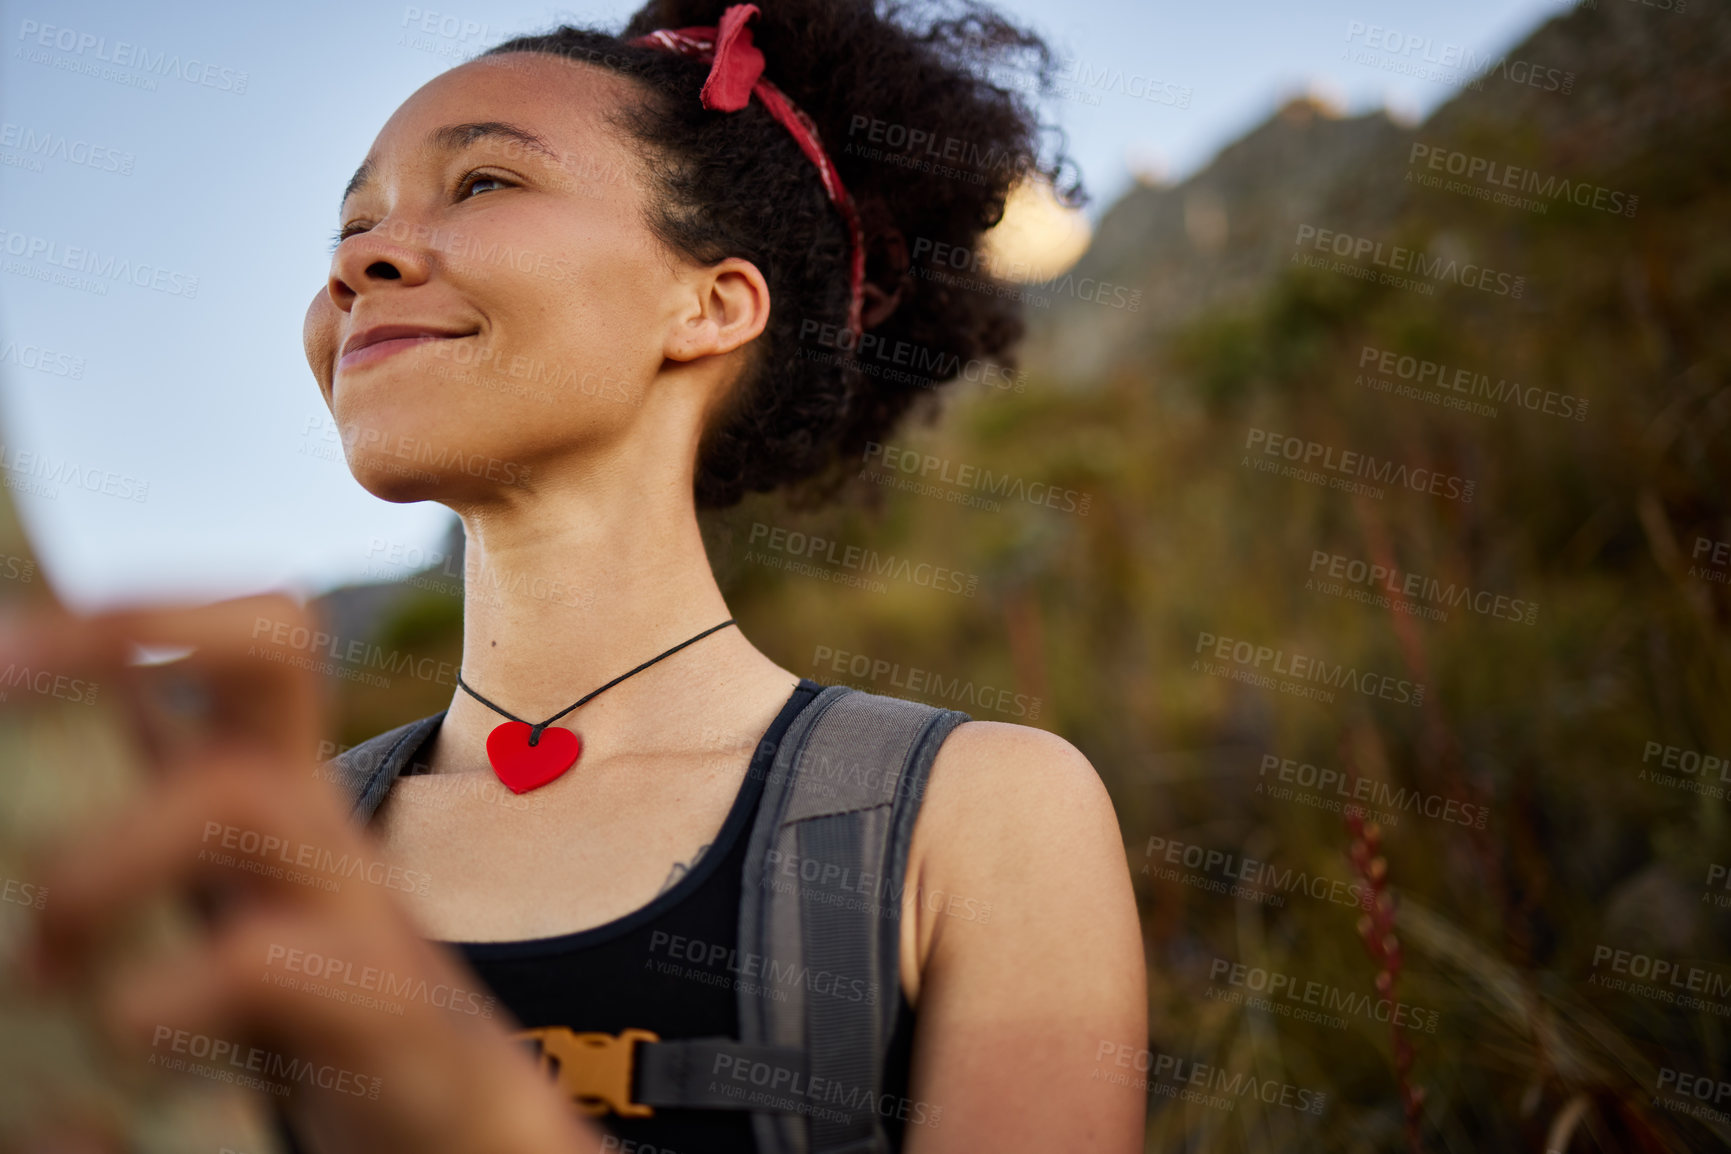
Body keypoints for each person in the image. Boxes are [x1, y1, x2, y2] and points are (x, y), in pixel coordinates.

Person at [15, 1, 1146, 1150]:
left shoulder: (976, 812)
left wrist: (473, 1108)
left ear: (710, 305)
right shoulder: (257, 857)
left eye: (486, 184)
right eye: (349, 227)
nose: (361, 261)